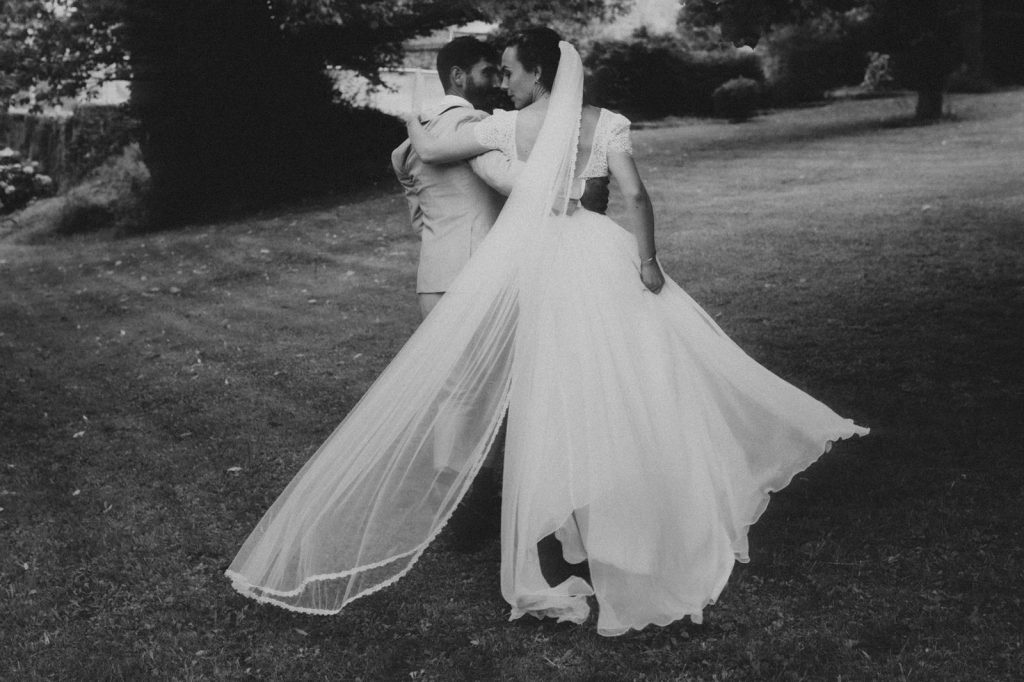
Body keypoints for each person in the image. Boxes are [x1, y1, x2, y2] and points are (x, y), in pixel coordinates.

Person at [226, 28, 868, 636]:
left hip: (545, 263)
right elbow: (636, 197)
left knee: (555, 391)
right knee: (631, 377)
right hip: (603, 253)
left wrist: (416, 118)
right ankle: (631, 515)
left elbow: (443, 157)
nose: (502, 83)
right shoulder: (607, 121)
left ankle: (575, 522)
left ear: (537, 72)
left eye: (509, 71)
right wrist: (647, 260)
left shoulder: (504, 126)